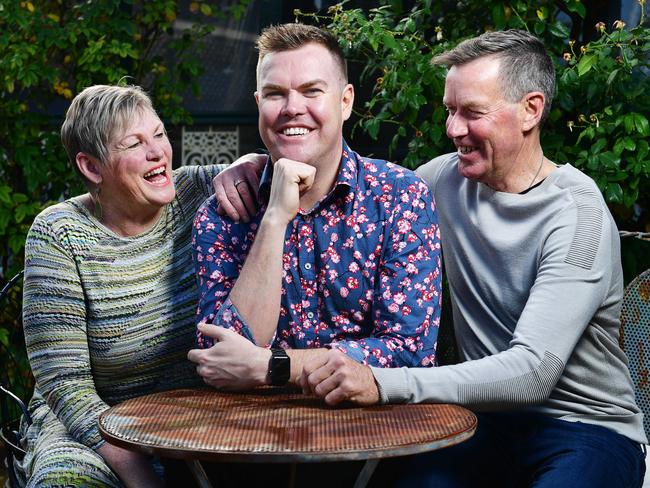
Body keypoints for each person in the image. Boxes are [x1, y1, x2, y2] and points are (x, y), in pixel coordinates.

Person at [297, 29, 647, 487]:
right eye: (450, 111)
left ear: (531, 110)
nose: (453, 129)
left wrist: (382, 382)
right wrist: (253, 168)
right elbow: (346, 183)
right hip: (480, 423)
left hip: (585, 429)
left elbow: (531, 374)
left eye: (472, 113)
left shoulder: (577, 216)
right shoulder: (441, 182)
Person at [16, 84, 263, 488]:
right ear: (92, 167)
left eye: (160, 135)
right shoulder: (60, 234)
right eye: (134, 143)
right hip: (92, 425)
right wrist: (143, 477)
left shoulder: (199, 191)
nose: (158, 153)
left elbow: (277, 172)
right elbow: (65, 385)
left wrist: (250, 161)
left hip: (199, 421)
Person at [187, 23, 442, 391]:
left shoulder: (399, 197)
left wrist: (275, 366)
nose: (293, 108)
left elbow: (411, 352)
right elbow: (219, 359)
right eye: (275, 94)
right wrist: (274, 219)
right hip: (250, 434)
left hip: (373, 434)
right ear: (259, 105)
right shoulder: (224, 214)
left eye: (312, 91)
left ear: (345, 101)